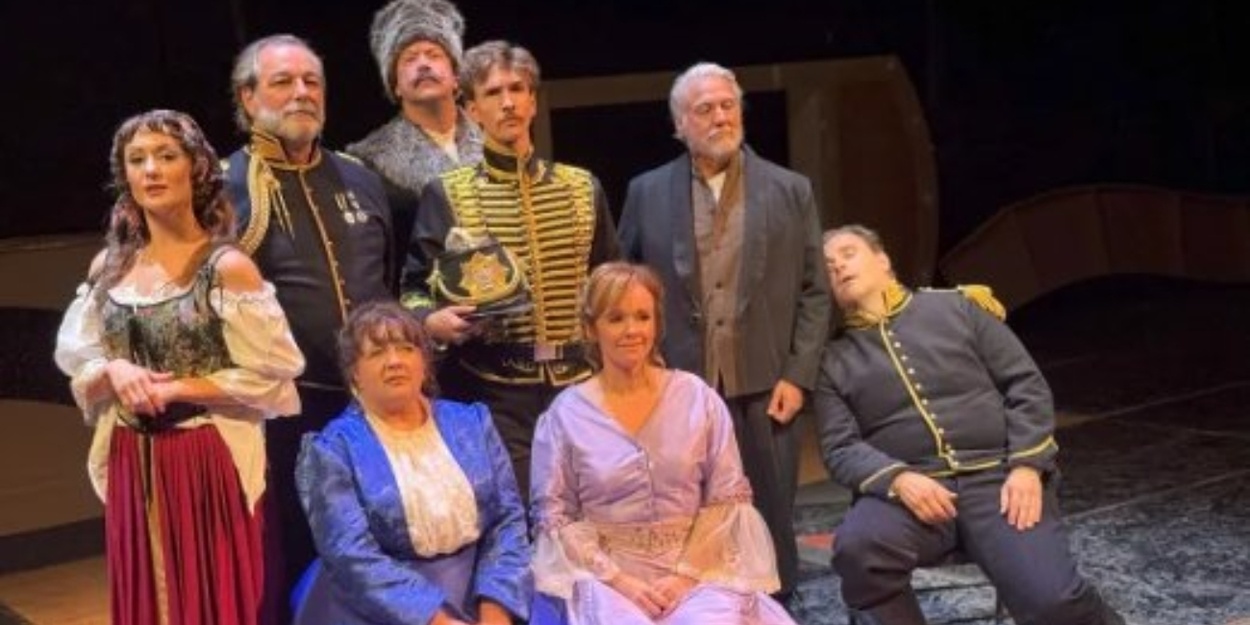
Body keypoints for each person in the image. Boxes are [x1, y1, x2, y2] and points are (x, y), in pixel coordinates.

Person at [54, 109, 305, 625]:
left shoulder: (226, 268)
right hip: (130, 455)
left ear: (197, 169)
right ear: (125, 175)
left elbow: (272, 375)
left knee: (210, 597)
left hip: (204, 457)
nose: (151, 170)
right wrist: (114, 372)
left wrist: (175, 389)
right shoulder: (110, 267)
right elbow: (80, 357)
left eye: (166, 156)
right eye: (137, 160)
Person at [813, 225, 1125, 625]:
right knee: (859, 550)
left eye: (848, 253)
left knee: (1053, 604)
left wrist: (1027, 466)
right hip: (911, 497)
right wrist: (899, 479)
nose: (838, 266)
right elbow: (840, 447)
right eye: (827, 266)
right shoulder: (832, 360)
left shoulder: (958, 308)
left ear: (883, 260)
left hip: (999, 480)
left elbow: (1025, 385)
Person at [617, 61, 830, 597]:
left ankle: (778, 605)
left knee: (769, 512)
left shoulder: (790, 189)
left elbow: (814, 291)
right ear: (680, 124)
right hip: (678, 384)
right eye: (705, 109)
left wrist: (798, 375)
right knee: (684, 509)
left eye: (728, 105)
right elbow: (624, 287)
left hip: (767, 384)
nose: (720, 117)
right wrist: (640, 372)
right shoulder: (647, 191)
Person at [223, 33, 398, 613]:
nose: (301, 92)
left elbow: (387, 280)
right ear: (248, 98)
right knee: (296, 563)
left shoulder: (360, 177)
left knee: (385, 549)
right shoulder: (223, 188)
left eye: (311, 81)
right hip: (286, 416)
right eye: (283, 82)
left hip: (375, 406)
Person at [405, 40, 619, 497]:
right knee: (519, 515)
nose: (508, 102)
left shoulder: (582, 187)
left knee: (593, 509)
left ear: (533, 101)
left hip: (581, 383)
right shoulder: (447, 193)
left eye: (518, 89)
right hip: (496, 391)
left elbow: (612, 284)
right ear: (472, 110)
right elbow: (413, 290)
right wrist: (432, 321)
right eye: (493, 92)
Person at [529, 262, 798, 625]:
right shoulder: (565, 416)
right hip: (607, 578)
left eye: (643, 317)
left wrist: (686, 576)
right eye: (616, 318)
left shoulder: (697, 398)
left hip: (699, 567)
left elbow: (725, 498)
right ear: (591, 329)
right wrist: (619, 581)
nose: (632, 330)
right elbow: (556, 516)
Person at [294, 300, 530, 625]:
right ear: (355, 374)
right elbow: (350, 554)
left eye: (406, 348)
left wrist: (495, 610)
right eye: (377, 353)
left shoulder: (472, 422)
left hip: (483, 587)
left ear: (424, 363)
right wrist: (438, 621)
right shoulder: (332, 449)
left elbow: (508, 520)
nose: (394, 362)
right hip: (382, 606)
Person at [347, 0, 484, 258]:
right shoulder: (368, 162)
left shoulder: (495, 144)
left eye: (433, 55)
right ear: (396, 86)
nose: (423, 64)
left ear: (456, 77)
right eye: (409, 59)